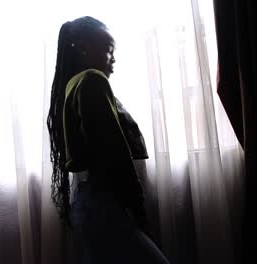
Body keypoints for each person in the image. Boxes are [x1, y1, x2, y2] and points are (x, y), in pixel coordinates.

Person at [47, 16, 170, 264]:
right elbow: (114, 152)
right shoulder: (92, 80)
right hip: (104, 203)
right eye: (109, 50)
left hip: (88, 202)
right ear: (84, 49)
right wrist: (137, 206)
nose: (114, 59)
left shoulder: (72, 85)